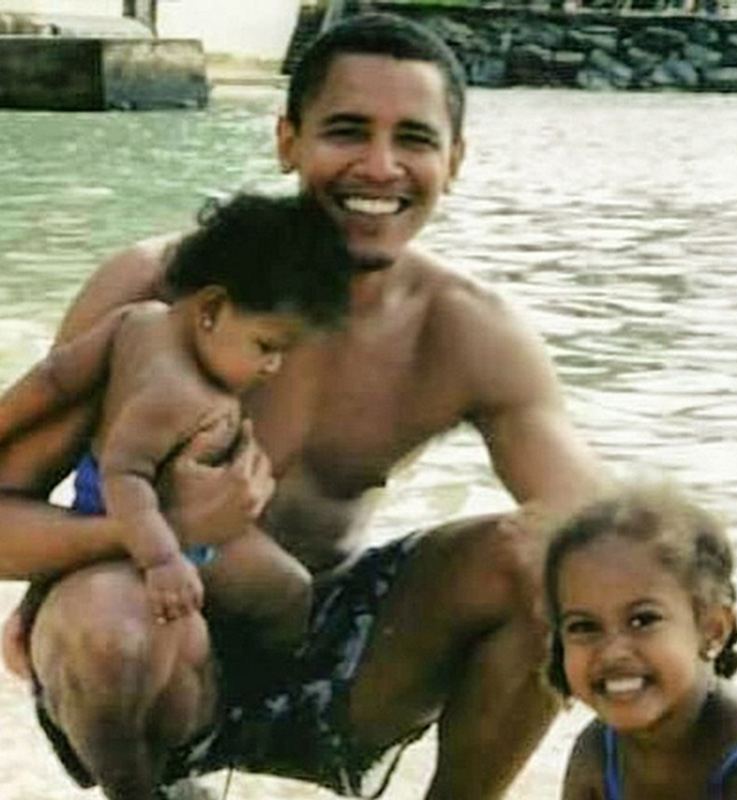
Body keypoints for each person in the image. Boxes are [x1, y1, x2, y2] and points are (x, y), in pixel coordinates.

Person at [0, 12, 606, 800]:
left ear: (453, 161)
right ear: (287, 140)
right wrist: (159, 534)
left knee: (547, 559)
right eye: (347, 131)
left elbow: (601, 547)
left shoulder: (469, 333)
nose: (380, 167)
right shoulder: (154, 295)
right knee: (104, 619)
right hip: (149, 641)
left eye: (414, 140)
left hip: (332, 656)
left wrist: (694, 677)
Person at [0, 192, 354, 656]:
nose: (273, 367)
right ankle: (273, 690)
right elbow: (123, 473)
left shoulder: (138, 320)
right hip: (146, 528)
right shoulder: (174, 396)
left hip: (140, 522)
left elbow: (55, 378)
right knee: (287, 591)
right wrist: (164, 558)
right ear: (210, 309)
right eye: (267, 346)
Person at [544, 481, 737, 800]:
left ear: (713, 629)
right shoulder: (599, 752)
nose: (612, 652)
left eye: (643, 620)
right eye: (584, 626)